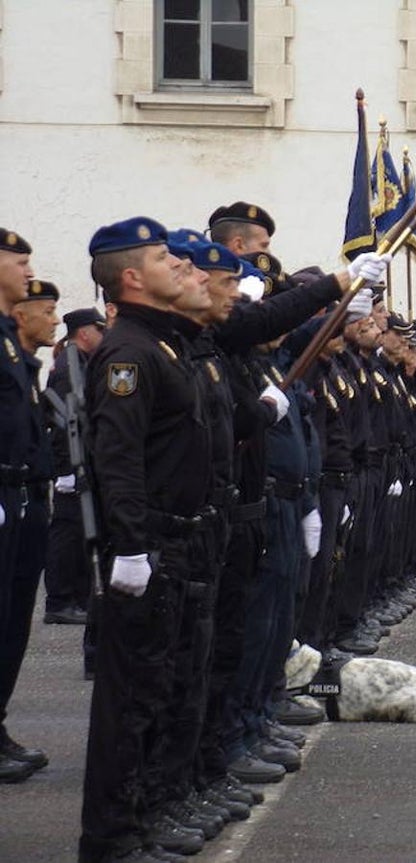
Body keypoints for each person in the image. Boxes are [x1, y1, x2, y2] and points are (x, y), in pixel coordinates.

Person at [79, 216, 215, 862]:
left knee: (159, 690)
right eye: (166, 259)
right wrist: (130, 546)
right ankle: (110, 838)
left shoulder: (164, 343)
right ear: (132, 277)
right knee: (128, 702)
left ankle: (142, 820)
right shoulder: (130, 351)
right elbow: (119, 459)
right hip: (149, 544)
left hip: (175, 540)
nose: (179, 267)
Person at [1, 273, 56, 785]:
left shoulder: (21, 357)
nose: (55, 318)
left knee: (14, 621)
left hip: (25, 497)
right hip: (5, 494)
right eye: (19, 261)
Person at [43, 307, 106, 625]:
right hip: (71, 461)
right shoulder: (71, 365)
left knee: (78, 530)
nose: (103, 336)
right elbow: (66, 418)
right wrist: (68, 469)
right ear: (84, 333)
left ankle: (74, 598)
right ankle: (60, 600)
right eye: (99, 330)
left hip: (77, 459)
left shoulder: (78, 361)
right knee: (67, 532)